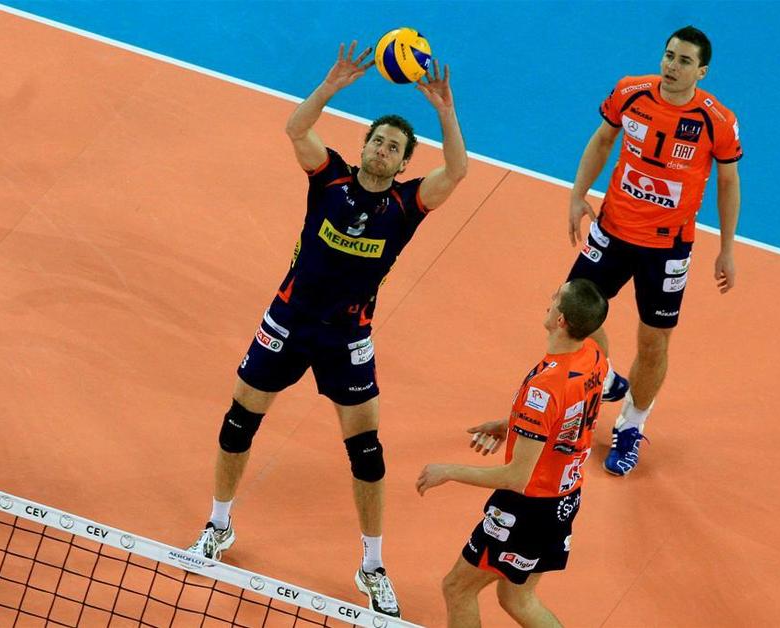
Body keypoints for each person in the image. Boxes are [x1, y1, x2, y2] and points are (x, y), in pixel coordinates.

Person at [186, 42, 467, 617]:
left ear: (403, 164)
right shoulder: (331, 177)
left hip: (347, 338)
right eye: (378, 141)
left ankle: (373, 567)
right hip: (288, 321)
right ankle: (217, 525)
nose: (383, 151)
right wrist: (331, 86)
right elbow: (296, 128)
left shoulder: (407, 205)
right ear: (364, 146)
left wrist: (445, 112)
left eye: (394, 148)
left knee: (367, 452)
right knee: (239, 421)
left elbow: (457, 171)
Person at [565, 25, 743, 476]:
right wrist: (578, 194)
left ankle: (631, 425)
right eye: (669, 56)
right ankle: (606, 379)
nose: (672, 66)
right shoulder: (631, 92)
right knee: (572, 310)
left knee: (653, 342)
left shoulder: (717, 121)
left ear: (701, 71)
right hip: (613, 229)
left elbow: (727, 183)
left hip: (667, 248)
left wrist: (727, 248)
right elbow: (603, 140)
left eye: (684, 61)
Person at [417, 279, 609, 627]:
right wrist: (513, 425)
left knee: (457, 588)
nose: (550, 299)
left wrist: (447, 471)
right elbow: (567, 415)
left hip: (528, 508)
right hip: (565, 498)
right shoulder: (594, 355)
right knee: (517, 598)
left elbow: (516, 477)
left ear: (561, 320)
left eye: (556, 297)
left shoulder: (546, 388)